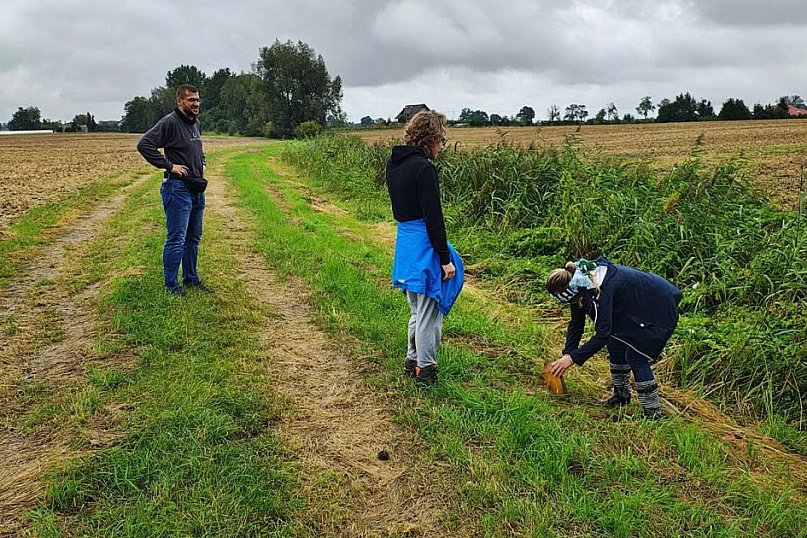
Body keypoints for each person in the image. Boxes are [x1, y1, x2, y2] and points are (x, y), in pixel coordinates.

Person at [547, 257, 682, 418]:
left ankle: (652, 413)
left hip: (658, 308)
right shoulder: (581, 285)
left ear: (574, 290)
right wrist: (568, 352)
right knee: (615, 344)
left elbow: (603, 333)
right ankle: (621, 396)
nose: (573, 303)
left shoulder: (604, 287)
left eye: (571, 300)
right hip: (632, 308)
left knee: (635, 357)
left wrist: (573, 358)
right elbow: (576, 323)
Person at [386, 110, 464, 386]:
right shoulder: (424, 169)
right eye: (441, 140)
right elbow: (434, 218)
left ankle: (412, 361)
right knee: (429, 313)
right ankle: (426, 371)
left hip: (405, 243)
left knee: (417, 310)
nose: (442, 146)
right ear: (429, 139)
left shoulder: (394, 164)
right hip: (424, 245)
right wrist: (445, 259)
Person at [137, 84, 210, 295]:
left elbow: (198, 149)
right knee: (177, 238)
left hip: (196, 188)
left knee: (193, 238)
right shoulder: (169, 122)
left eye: (197, 100)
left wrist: (203, 162)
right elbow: (144, 144)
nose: (196, 104)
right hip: (177, 189)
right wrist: (170, 166)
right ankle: (171, 286)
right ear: (180, 101)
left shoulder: (196, 124)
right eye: (191, 100)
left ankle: (191, 279)